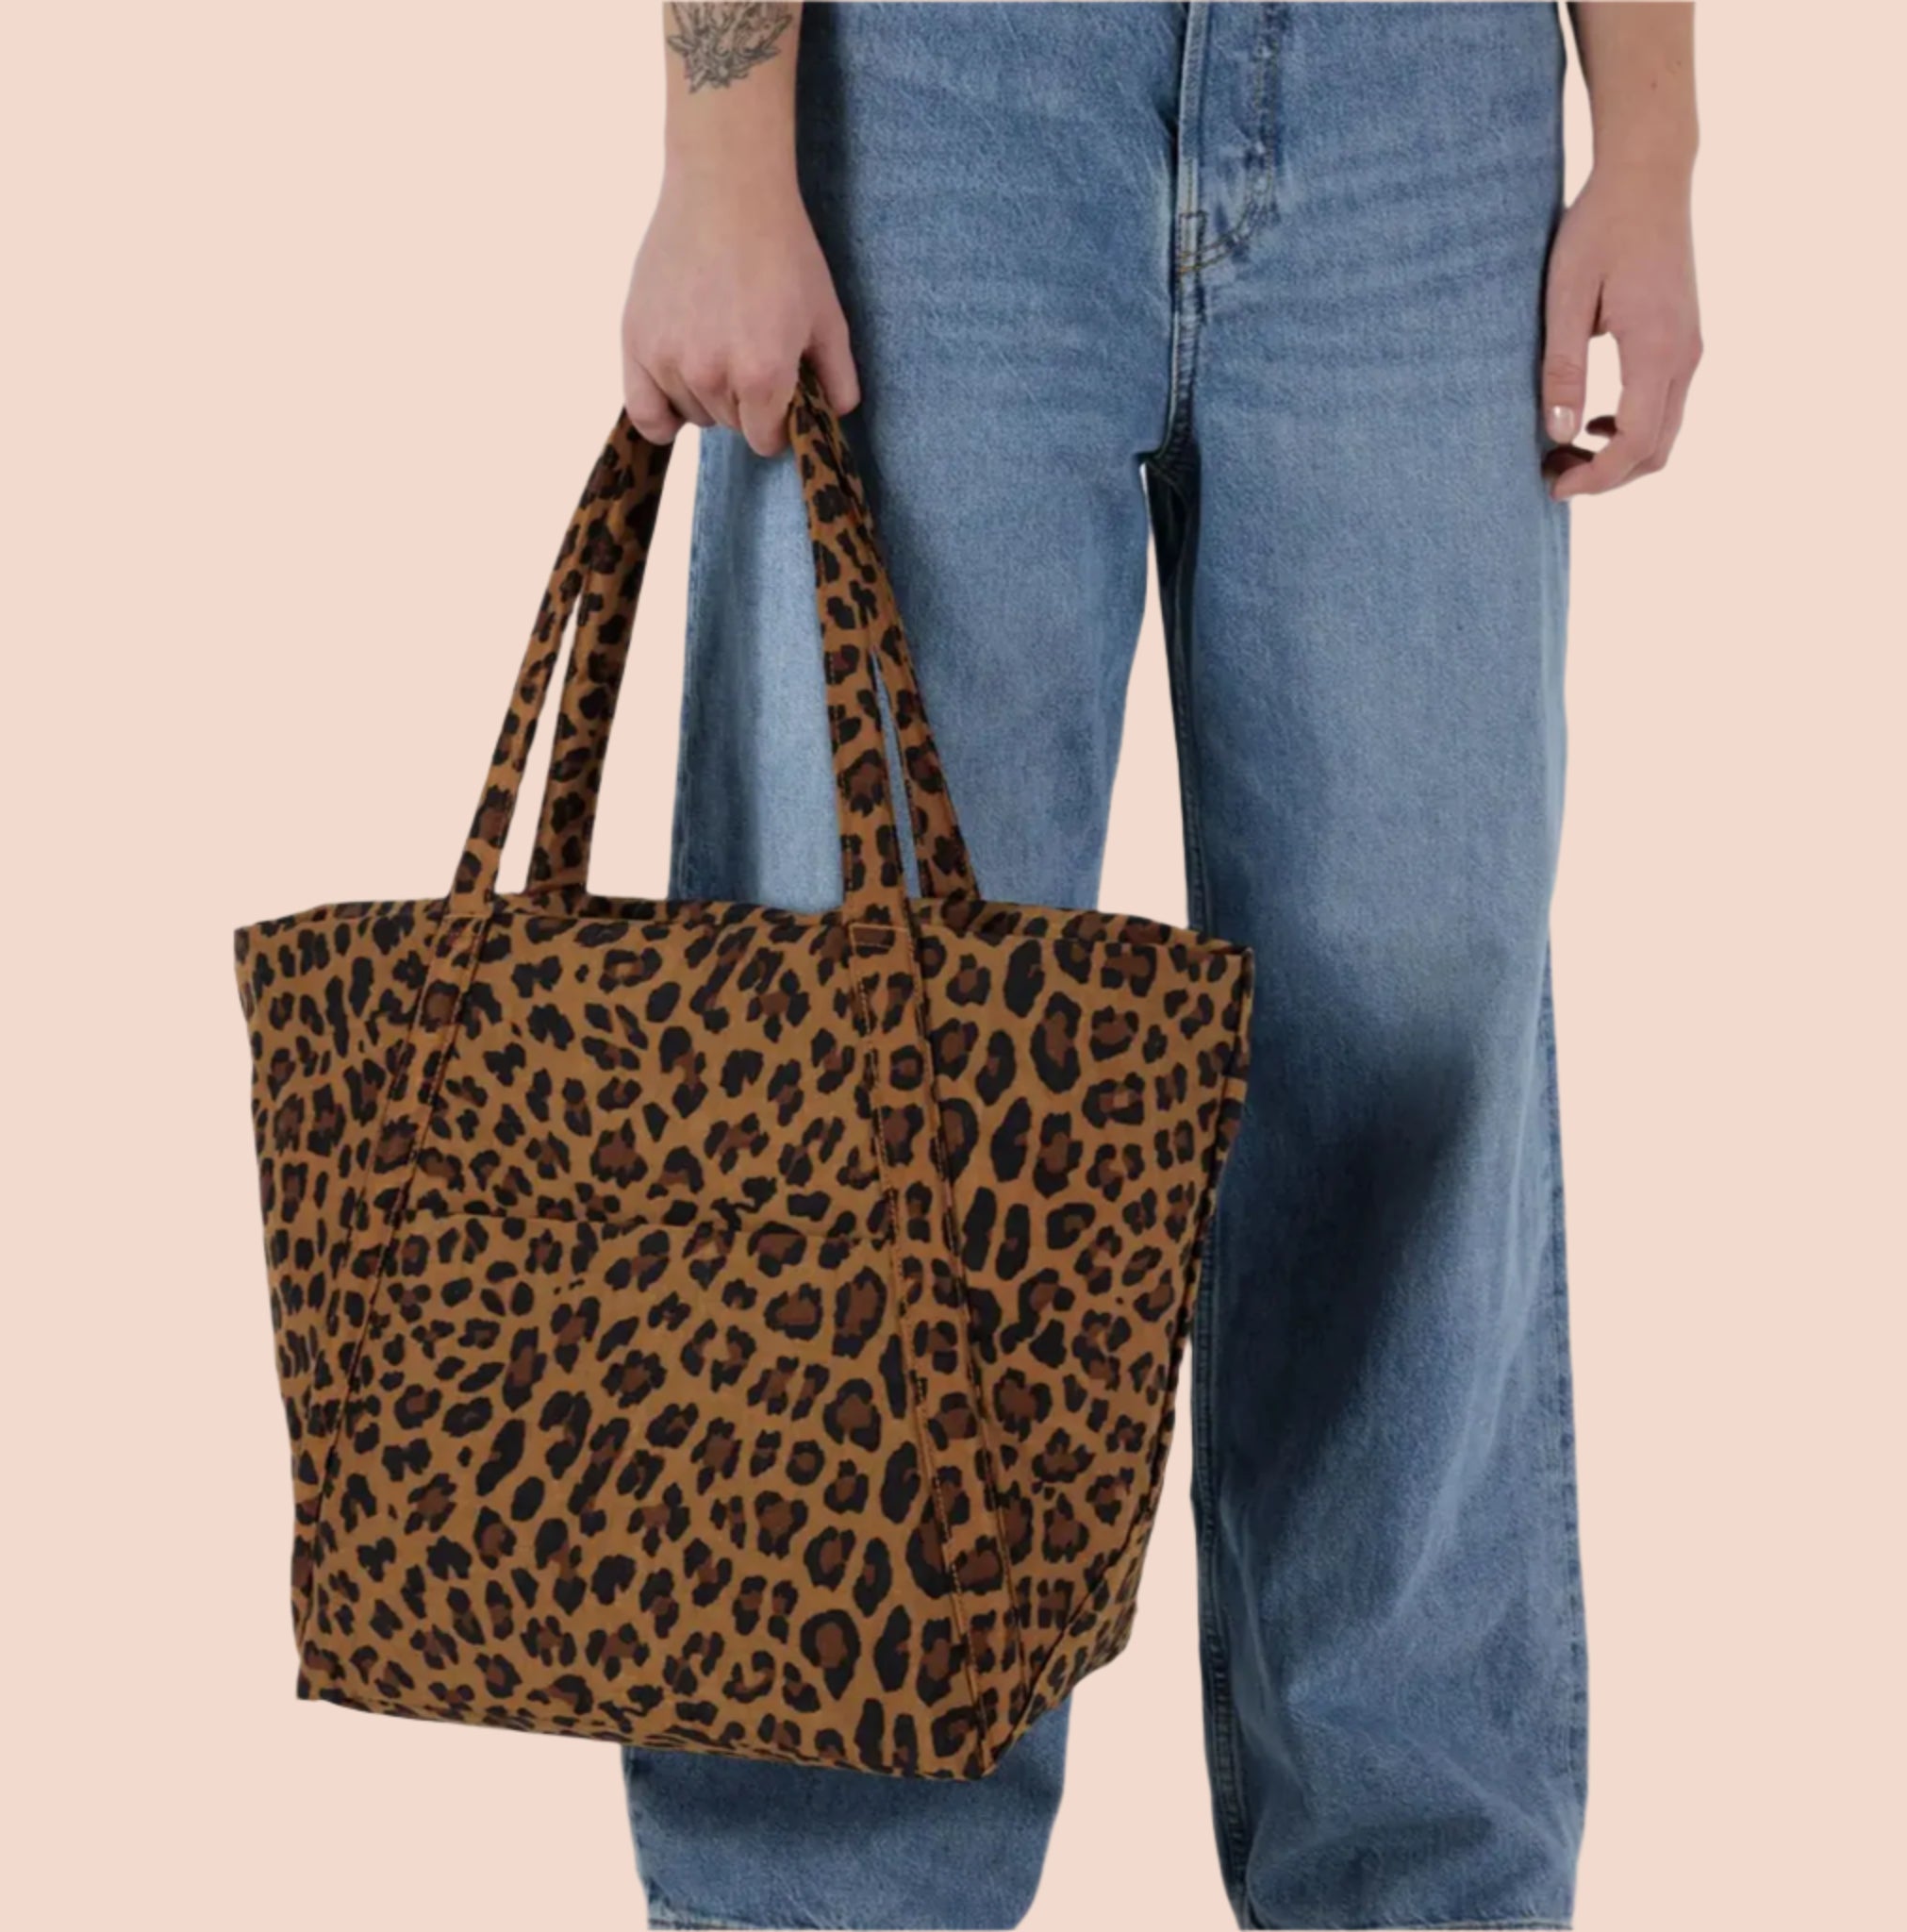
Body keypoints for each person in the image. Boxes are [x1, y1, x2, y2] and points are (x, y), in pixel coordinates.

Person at [618, 4, 1701, 1927]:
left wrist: (1654, 143)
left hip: (1422, 111)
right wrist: (721, 147)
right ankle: (819, 1902)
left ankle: (1419, 1889)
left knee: (1407, 1060)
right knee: (861, 1081)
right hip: (930, 103)